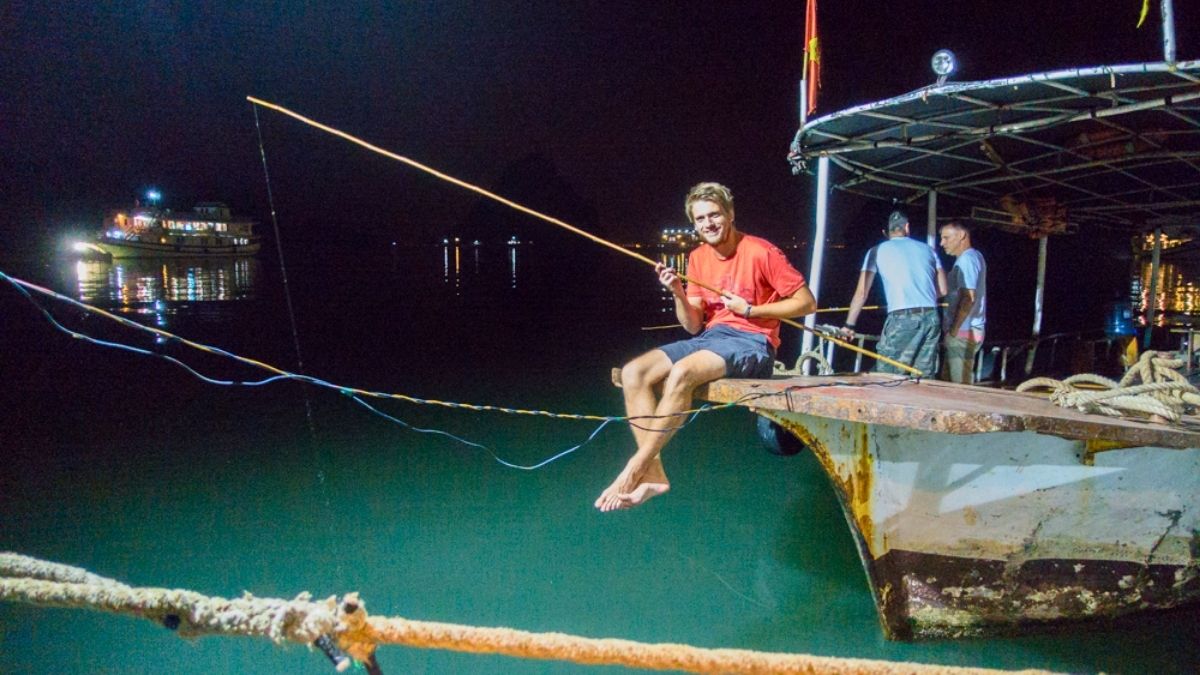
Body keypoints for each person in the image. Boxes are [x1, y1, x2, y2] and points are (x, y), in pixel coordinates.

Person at [595, 182, 816, 512]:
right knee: (634, 372)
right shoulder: (697, 257)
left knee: (683, 372)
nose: (708, 224)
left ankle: (634, 468)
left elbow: (807, 303)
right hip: (710, 339)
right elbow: (694, 325)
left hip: (753, 342)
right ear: (694, 223)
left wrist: (752, 310)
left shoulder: (760, 252)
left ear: (730, 215)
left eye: (714, 215)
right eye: (700, 219)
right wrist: (677, 293)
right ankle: (654, 472)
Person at [840, 210, 946, 377]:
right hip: (931, 316)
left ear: (885, 232)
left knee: (887, 374)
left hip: (902, 317)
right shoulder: (929, 250)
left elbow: (861, 294)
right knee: (923, 376)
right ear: (907, 227)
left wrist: (849, 325)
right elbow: (943, 290)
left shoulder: (875, 251)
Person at [938, 221, 986, 383]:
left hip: (963, 332)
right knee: (948, 382)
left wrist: (954, 330)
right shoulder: (974, 257)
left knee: (960, 386)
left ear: (962, 236)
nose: (942, 243)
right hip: (964, 331)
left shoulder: (967, 260)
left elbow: (968, 297)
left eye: (946, 238)